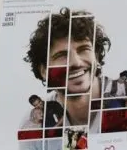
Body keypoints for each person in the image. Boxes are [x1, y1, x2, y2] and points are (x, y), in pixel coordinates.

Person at [23, 8, 113, 150]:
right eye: (61, 55)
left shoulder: (125, 97)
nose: (76, 62)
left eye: (83, 49)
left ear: (96, 55)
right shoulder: (34, 126)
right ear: (44, 70)